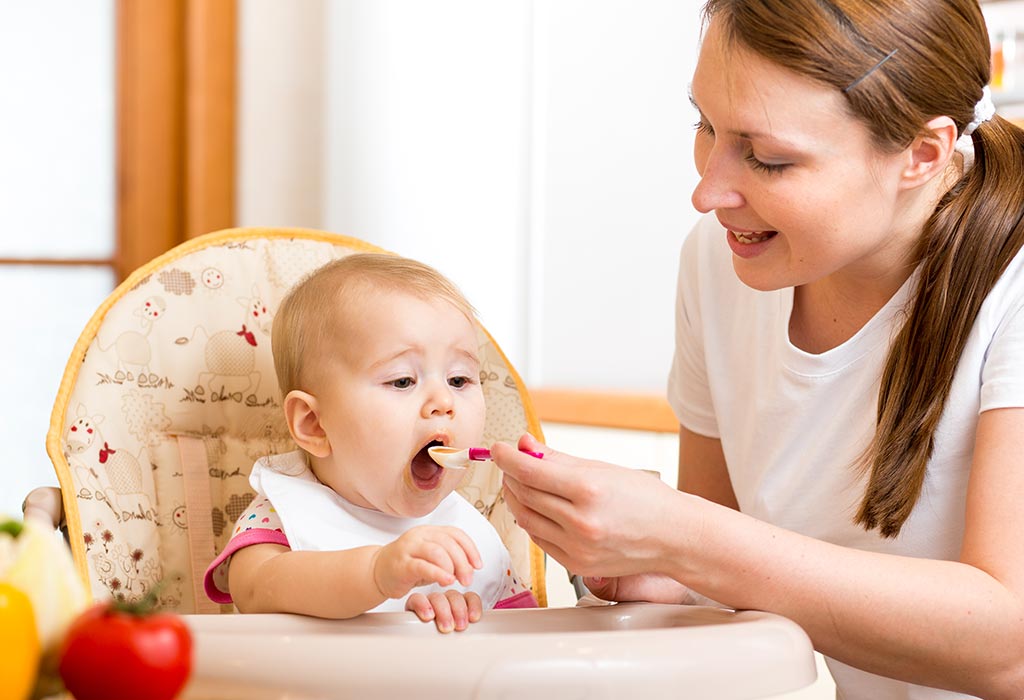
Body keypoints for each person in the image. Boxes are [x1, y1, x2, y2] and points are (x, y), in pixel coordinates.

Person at [493, 0, 1024, 697]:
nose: (707, 192)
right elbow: (729, 578)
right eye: (703, 125)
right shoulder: (722, 265)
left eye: (768, 159)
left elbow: (1010, 647)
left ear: (922, 155)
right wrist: (653, 566)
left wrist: (685, 538)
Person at [203, 253, 536, 632]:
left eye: (459, 380)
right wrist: (376, 573)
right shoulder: (284, 515)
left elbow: (521, 645)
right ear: (315, 424)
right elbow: (257, 589)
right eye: (402, 381)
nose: (443, 403)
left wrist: (471, 619)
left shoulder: (469, 530)